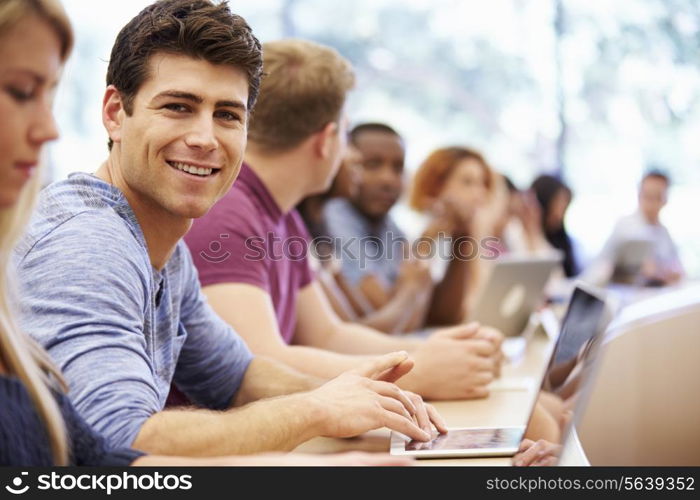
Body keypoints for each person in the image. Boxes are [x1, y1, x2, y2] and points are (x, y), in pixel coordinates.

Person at [13, 0, 444, 459]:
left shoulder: (163, 245)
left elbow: (237, 377)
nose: (205, 138)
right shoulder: (89, 242)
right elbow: (122, 441)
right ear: (116, 113)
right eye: (178, 107)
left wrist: (357, 397)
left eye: (227, 115)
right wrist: (315, 410)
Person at [184, 41, 503, 402]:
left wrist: (421, 353)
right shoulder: (228, 213)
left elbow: (328, 335)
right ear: (326, 140)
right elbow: (257, 365)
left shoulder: (281, 214)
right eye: (346, 135)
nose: (350, 154)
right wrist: (418, 373)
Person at [588, 170, 684, 286]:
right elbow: (603, 267)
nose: (652, 203)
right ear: (639, 195)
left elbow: (678, 267)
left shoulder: (663, 232)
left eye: (657, 197)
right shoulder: (625, 226)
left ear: (665, 199)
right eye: (648, 196)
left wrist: (671, 272)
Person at [531, 174, 579, 278]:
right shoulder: (530, 235)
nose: (560, 213)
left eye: (564, 206)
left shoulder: (562, 239)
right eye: (558, 204)